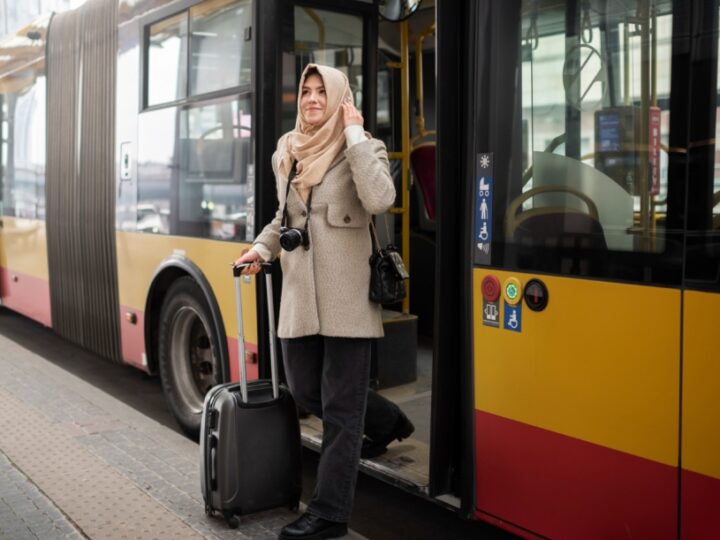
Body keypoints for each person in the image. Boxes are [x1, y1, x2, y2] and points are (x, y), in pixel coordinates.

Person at [234, 63, 414, 540]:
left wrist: (353, 134)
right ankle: (388, 419)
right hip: (299, 297)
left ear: (339, 98)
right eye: (306, 92)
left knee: (338, 411)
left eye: (322, 92)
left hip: (349, 300)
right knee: (309, 393)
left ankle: (330, 514)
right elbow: (281, 219)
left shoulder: (364, 146)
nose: (312, 99)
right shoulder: (287, 152)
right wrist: (261, 248)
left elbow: (380, 199)